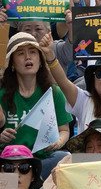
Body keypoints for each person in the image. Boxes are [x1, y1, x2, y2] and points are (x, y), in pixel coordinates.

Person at [1, 32, 73, 178]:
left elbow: (64, 130)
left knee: (64, 157)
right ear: (12, 64)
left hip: (42, 159)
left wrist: (58, 142)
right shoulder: (2, 94)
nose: (28, 57)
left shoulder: (54, 92)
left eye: (33, 52)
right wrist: (1, 137)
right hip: (9, 160)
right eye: (21, 53)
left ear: (40, 61)